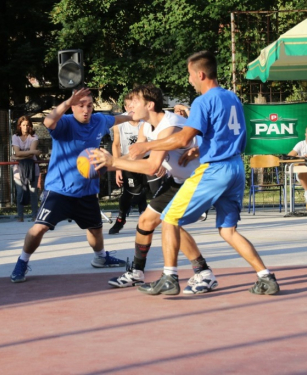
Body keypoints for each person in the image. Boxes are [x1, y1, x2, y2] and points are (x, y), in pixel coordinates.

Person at [128, 51, 280, 296]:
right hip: (236, 167)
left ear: (200, 74)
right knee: (227, 231)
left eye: (190, 75)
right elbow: (227, 134)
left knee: (169, 218)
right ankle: (266, 277)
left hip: (216, 169)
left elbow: (182, 138)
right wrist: (201, 147)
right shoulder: (233, 97)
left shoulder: (203, 101)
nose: (189, 80)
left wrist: (147, 145)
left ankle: (169, 276)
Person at [92, 84, 218, 294]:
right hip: (178, 180)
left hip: (198, 180)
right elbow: (135, 156)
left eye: (135, 102)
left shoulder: (170, 125)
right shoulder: (145, 126)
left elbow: (151, 165)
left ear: (149, 105)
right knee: (146, 220)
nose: (129, 106)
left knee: (171, 222)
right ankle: (138, 273)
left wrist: (113, 161)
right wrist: (107, 164)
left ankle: (204, 273)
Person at [10, 88, 133, 283]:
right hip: (59, 189)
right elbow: (48, 121)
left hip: (86, 190)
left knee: (95, 228)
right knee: (39, 228)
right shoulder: (65, 123)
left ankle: (100, 258)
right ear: (73, 107)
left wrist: (133, 115)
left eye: (89, 106)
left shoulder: (99, 120)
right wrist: (67, 102)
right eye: (81, 106)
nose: (86, 110)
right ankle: (22, 261)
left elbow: (117, 119)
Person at [109, 92, 156, 235]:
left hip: (146, 159)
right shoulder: (119, 123)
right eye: (130, 105)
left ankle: (146, 217)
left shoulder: (145, 121)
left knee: (153, 189)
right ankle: (121, 218)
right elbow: (116, 145)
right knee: (130, 192)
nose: (133, 108)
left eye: (135, 105)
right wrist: (118, 167)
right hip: (128, 161)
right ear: (125, 106)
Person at [11, 115, 41, 222]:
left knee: (33, 192)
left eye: (28, 125)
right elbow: (26, 152)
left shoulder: (34, 137)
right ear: (19, 126)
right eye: (23, 125)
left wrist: (16, 156)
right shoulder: (15, 137)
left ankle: (35, 216)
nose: (26, 127)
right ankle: (20, 216)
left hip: (32, 168)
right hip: (18, 170)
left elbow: (26, 155)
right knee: (20, 192)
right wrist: (32, 152)